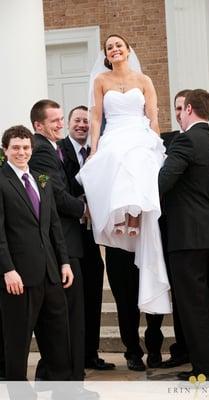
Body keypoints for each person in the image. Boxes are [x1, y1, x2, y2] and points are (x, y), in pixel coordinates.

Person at [77, 34, 171, 315]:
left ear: (128, 50)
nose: (115, 49)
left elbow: (152, 114)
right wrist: (94, 148)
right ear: (106, 54)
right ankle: (118, 217)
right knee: (115, 159)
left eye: (119, 45)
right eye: (109, 47)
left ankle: (133, 217)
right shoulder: (100, 81)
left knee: (138, 159)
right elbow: (95, 117)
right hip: (115, 132)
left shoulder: (144, 81)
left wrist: (155, 142)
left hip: (138, 131)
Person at [160, 90, 209, 370]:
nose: (179, 115)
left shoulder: (185, 141)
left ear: (188, 109)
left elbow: (164, 182)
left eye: (181, 110)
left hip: (187, 236)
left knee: (193, 304)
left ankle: (207, 369)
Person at [0, 125, 73, 381]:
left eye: (26, 147)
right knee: (17, 339)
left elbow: (54, 226)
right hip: (18, 277)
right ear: (5, 150)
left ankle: (64, 389)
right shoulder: (1, 180)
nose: (22, 152)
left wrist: (64, 262)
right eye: (16, 148)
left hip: (51, 273)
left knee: (58, 337)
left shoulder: (42, 179)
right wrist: (8, 269)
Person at [29, 100, 86, 381]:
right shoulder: (41, 151)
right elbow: (56, 196)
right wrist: (84, 208)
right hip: (62, 242)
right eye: (54, 120)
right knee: (68, 317)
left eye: (61, 118)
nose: (60, 124)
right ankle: (70, 381)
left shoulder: (53, 148)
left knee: (62, 316)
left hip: (65, 241)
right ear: (38, 125)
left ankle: (48, 373)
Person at [58, 105, 115, 371]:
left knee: (93, 293)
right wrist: (82, 205)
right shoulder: (59, 151)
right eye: (76, 120)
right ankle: (72, 356)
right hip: (70, 233)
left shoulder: (98, 151)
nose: (81, 125)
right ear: (68, 123)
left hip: (92, 237)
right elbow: (62, 189)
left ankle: (90, 353)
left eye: (85, 121)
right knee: (75, 299)